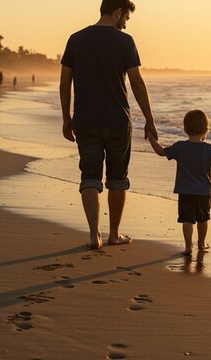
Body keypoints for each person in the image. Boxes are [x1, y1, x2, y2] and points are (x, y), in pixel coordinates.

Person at [60, 0, 157, 250]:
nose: (125, 24)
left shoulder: (76, 39)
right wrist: (149, 119)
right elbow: (136, 82)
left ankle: (94, 235)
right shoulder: (125, 42)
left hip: (86, 121)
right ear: (117, 12)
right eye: (125, 18)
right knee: (117, 178)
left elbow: (65, 82)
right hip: (117, 121)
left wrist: (66, 117)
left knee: (89, 176)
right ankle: (113, 234)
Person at [146, 110, 211, 256]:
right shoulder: (209, 149)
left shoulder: (180, 147)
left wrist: (151, 137)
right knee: (203, 218)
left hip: (185, 192)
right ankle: (201, 243)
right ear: (205, 130)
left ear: (185, 129)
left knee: (187, 220)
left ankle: (188, 246)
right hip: (203, 192)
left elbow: (161, 152)